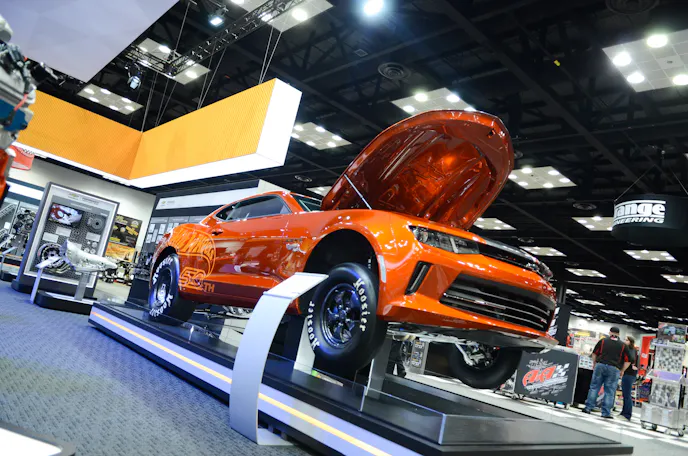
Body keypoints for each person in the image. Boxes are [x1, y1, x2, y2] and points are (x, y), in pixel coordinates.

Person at [582, 326, 630, 418]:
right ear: (619, 334)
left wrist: (595, 364)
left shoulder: (603, 341)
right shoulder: (623, 345)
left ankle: (588, 408)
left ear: (610, 332)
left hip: (600, 365)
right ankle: (606, 412)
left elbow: (594, 353)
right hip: (614, 368)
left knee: (594, 387)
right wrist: (622, 370)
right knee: (610, 391)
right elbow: (628, 360)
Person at [620, 335, 638, 421]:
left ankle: (627, 414)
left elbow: (631, 359)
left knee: (627, 394)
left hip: (629, 374)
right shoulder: (631, 350)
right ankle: (624, 412)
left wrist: (623, 369)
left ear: (630, 342)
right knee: (625, 394)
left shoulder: (631, 350)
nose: (625, 341)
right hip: (629, 374)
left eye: (626, 340)